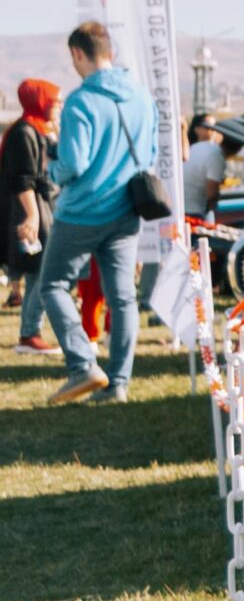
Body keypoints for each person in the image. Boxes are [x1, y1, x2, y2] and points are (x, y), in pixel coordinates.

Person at [36, 21, 158, 404]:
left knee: (52, 286)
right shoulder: (141, 97)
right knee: (123, 298)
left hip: (82, 211)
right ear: (111, 51)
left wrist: (51, 170)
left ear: (77, 53)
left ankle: (82, 364)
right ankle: (118, 383)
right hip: (127, 210)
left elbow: (74, 163)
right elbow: (151, 154)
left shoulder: (80, 101)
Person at [4, 78, 62, 354]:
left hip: (37, 208)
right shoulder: (24, 133)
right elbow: (24, 179)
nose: (59, 106)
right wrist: (32, 217)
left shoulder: (34, 130)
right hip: (31, 211)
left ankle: (30, 332)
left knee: (38, 271)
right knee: (42, 270)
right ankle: (29, 333)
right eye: (55, 101)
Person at [182, 115, 241, 219]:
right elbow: (212, 194)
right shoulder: (217, 155)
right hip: (194, 212)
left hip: (184, 207)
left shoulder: (198, 147)